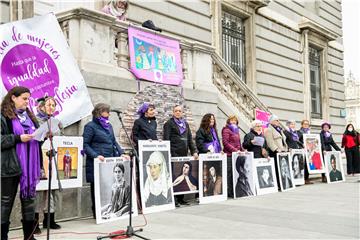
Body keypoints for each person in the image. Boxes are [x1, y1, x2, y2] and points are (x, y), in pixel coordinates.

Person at [1, 86, 42, 240]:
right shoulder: (2, 115)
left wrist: (43, 135)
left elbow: (36, 140)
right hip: (9, 165)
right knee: (5, 203)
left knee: (29, 201)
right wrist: (18, 138)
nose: (27, 102)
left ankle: (29, 236)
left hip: (30, 166)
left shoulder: (30, 116)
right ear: (13, 97)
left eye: (28, 99)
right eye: (24, 98)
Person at [83, 103, 125, 219]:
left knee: (107, 186)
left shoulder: (109, 126)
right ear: (99, 113)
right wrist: (95, 155)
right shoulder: (90, 126)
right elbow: (85, 144)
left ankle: (108, 211)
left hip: (108, 163)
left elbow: (114, 142)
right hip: (97, 163)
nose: (109, 114)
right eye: (106, 111)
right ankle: (96, 212)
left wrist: (122, 153)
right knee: (96, 188)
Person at [34, 96, 62, 234]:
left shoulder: (56, 122)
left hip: (53, 159)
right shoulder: (34, 120)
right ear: (41, 107)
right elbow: (33, 138)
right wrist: (44, 135)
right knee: (39, 191)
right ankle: (34, 222)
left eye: (53, 105)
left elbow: (61, 139)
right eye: (49, 105)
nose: (51, 107)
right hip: (38, 159)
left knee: (51, 191)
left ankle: (49, 219)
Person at [163, 105, 198, 207]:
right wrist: (168, 153)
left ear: (182, 113)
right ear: (173, 112)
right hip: (174, 154)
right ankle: (174, 199)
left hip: (184, 155)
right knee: (175, 177)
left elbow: (190, 140)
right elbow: (166, 139)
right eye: (176, 111)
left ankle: (181, 198)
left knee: (184, 176)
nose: (178, 112)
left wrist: (194, 151)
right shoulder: (169, 124)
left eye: (179, 111)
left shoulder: (185, 124)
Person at [221, 115, 245, 198]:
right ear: (228, 121)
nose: (234, 122)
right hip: (229, 155)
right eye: (232, 120)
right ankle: (229, 192)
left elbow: (238, 143)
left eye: (235, 120)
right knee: (229, 174)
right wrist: (235, 150)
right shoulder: (226, 130)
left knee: (236, 173)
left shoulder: (236, 130)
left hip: (236, 155)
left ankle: (234, 191)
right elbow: (225, 143)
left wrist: (242, 150)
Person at [264, 114, 288, 188]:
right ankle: (278, 184)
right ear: (271, 121)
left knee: (282, 168)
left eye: (278, 120)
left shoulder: (279, 129)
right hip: (275, 152)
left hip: (282, 151)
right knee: (277, 168)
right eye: (276, 120)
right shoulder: (268, 129)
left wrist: (286, 148)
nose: (278, 121)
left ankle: (283, 183)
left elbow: (283, 140)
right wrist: (276, 149)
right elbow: (270, 142)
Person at [297, 119, 312, 184]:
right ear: (302, 125)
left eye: (307, 124)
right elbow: (297, 140)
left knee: (308, 164)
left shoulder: (309, 132)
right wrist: (302, 144)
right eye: (305, 124)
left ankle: (307, 178)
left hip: (308, 150)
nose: (306, 125)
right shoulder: (299, 132)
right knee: (304, 164)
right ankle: (303, 178)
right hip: (302, 150)